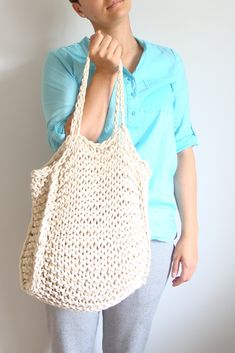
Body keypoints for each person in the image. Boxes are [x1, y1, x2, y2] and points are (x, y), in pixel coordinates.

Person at [41, 1, 199, 352]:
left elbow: (182, 148)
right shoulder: (64, 62)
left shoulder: (169, 63)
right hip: (76, 231)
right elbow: (75, 144)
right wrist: (104, 73)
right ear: (79, 9)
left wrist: (191, 233)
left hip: (151, 232)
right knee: (71, 347)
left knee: (128, 348)